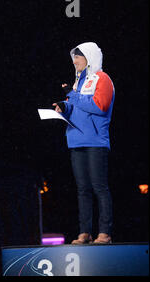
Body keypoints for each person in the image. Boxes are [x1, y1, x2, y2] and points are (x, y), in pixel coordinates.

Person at [53, 42, 115, 244]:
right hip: (76, 140)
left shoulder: (103, 79)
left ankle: (104, 233)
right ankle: (85, 233)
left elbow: (100, 106)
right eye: (74, 58)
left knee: (99, 187)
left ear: (89, 57)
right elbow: (76, 106)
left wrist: (72, 96)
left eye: (78, 57)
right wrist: (64, 106)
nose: (74, 61)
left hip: (95, 141)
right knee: (82, 189)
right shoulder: (79, 82)